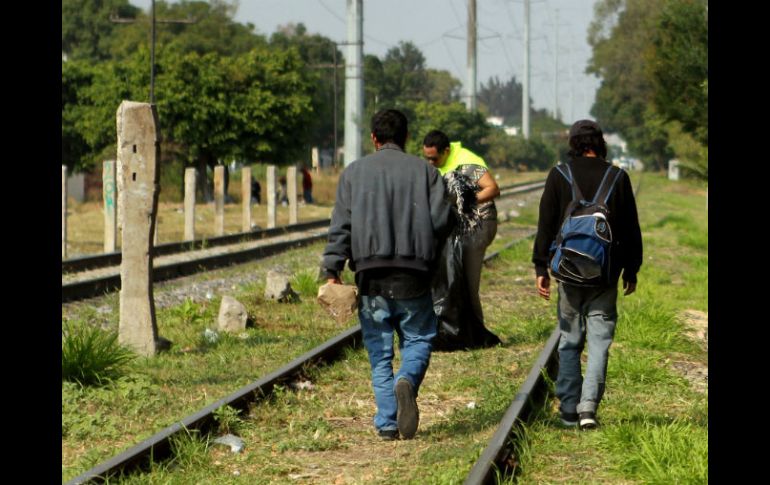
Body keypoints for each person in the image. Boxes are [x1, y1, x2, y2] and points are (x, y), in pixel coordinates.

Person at [322, 109, 452, 440]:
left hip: (370, 277)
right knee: (419, 337)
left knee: (379, 354)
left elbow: (341, 226)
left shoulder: (353, 173)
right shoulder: (426, 172)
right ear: (406, 138)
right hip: (414, 275)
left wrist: (332, 269)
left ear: (374, 138)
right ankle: (406, 379)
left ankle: (388, 423)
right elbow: (442, 221)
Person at [532, 119, 642, 430]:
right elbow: (631, 229)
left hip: (567, 274)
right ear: (600, 144)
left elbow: (546, 223)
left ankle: (568, 408)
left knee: (569, 339)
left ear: (573, 143)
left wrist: (541, 267)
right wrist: (631, 269)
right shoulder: (618, 177)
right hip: (605, 275)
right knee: (599, 341)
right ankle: (588, 408)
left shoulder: (559, 175)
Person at [422, 130, 501, 350]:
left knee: (467, 281)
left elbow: (493, 188)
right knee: (455, 280)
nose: (430, 162)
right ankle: (460, 330)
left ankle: (477, 335)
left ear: (446, 151)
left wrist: (467, 200)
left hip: (478, 225)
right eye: (426, 157)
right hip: (459, 228)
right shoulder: (438, 165)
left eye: (434, 158)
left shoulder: (467, 161)